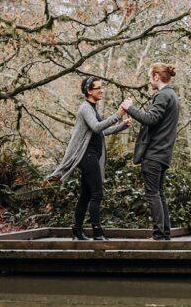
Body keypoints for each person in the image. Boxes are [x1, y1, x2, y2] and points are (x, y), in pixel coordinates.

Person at [48, 76, 131, 240]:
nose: (102, 90)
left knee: (86, 195)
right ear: (88, 90)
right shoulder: (85, 108)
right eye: (98, 87)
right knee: (96, 193)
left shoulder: (92, 108)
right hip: (87, 155)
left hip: (92, 155)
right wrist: (118, 114)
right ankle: (97, 232)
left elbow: (100, 132)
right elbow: (97, 126)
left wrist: (122, 125)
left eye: (102, 87)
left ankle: (77, 231)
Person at [119, 64, 180, 241]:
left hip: (154, 154)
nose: (148, 80)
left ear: (156, 76)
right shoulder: (172, 95)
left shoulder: (162, 95)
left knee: (153, 194)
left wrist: (130, 107)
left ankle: (159, 235)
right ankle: (164, 233)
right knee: (159, 193)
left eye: (149, 76)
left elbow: (151, 119)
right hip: (164, 154)